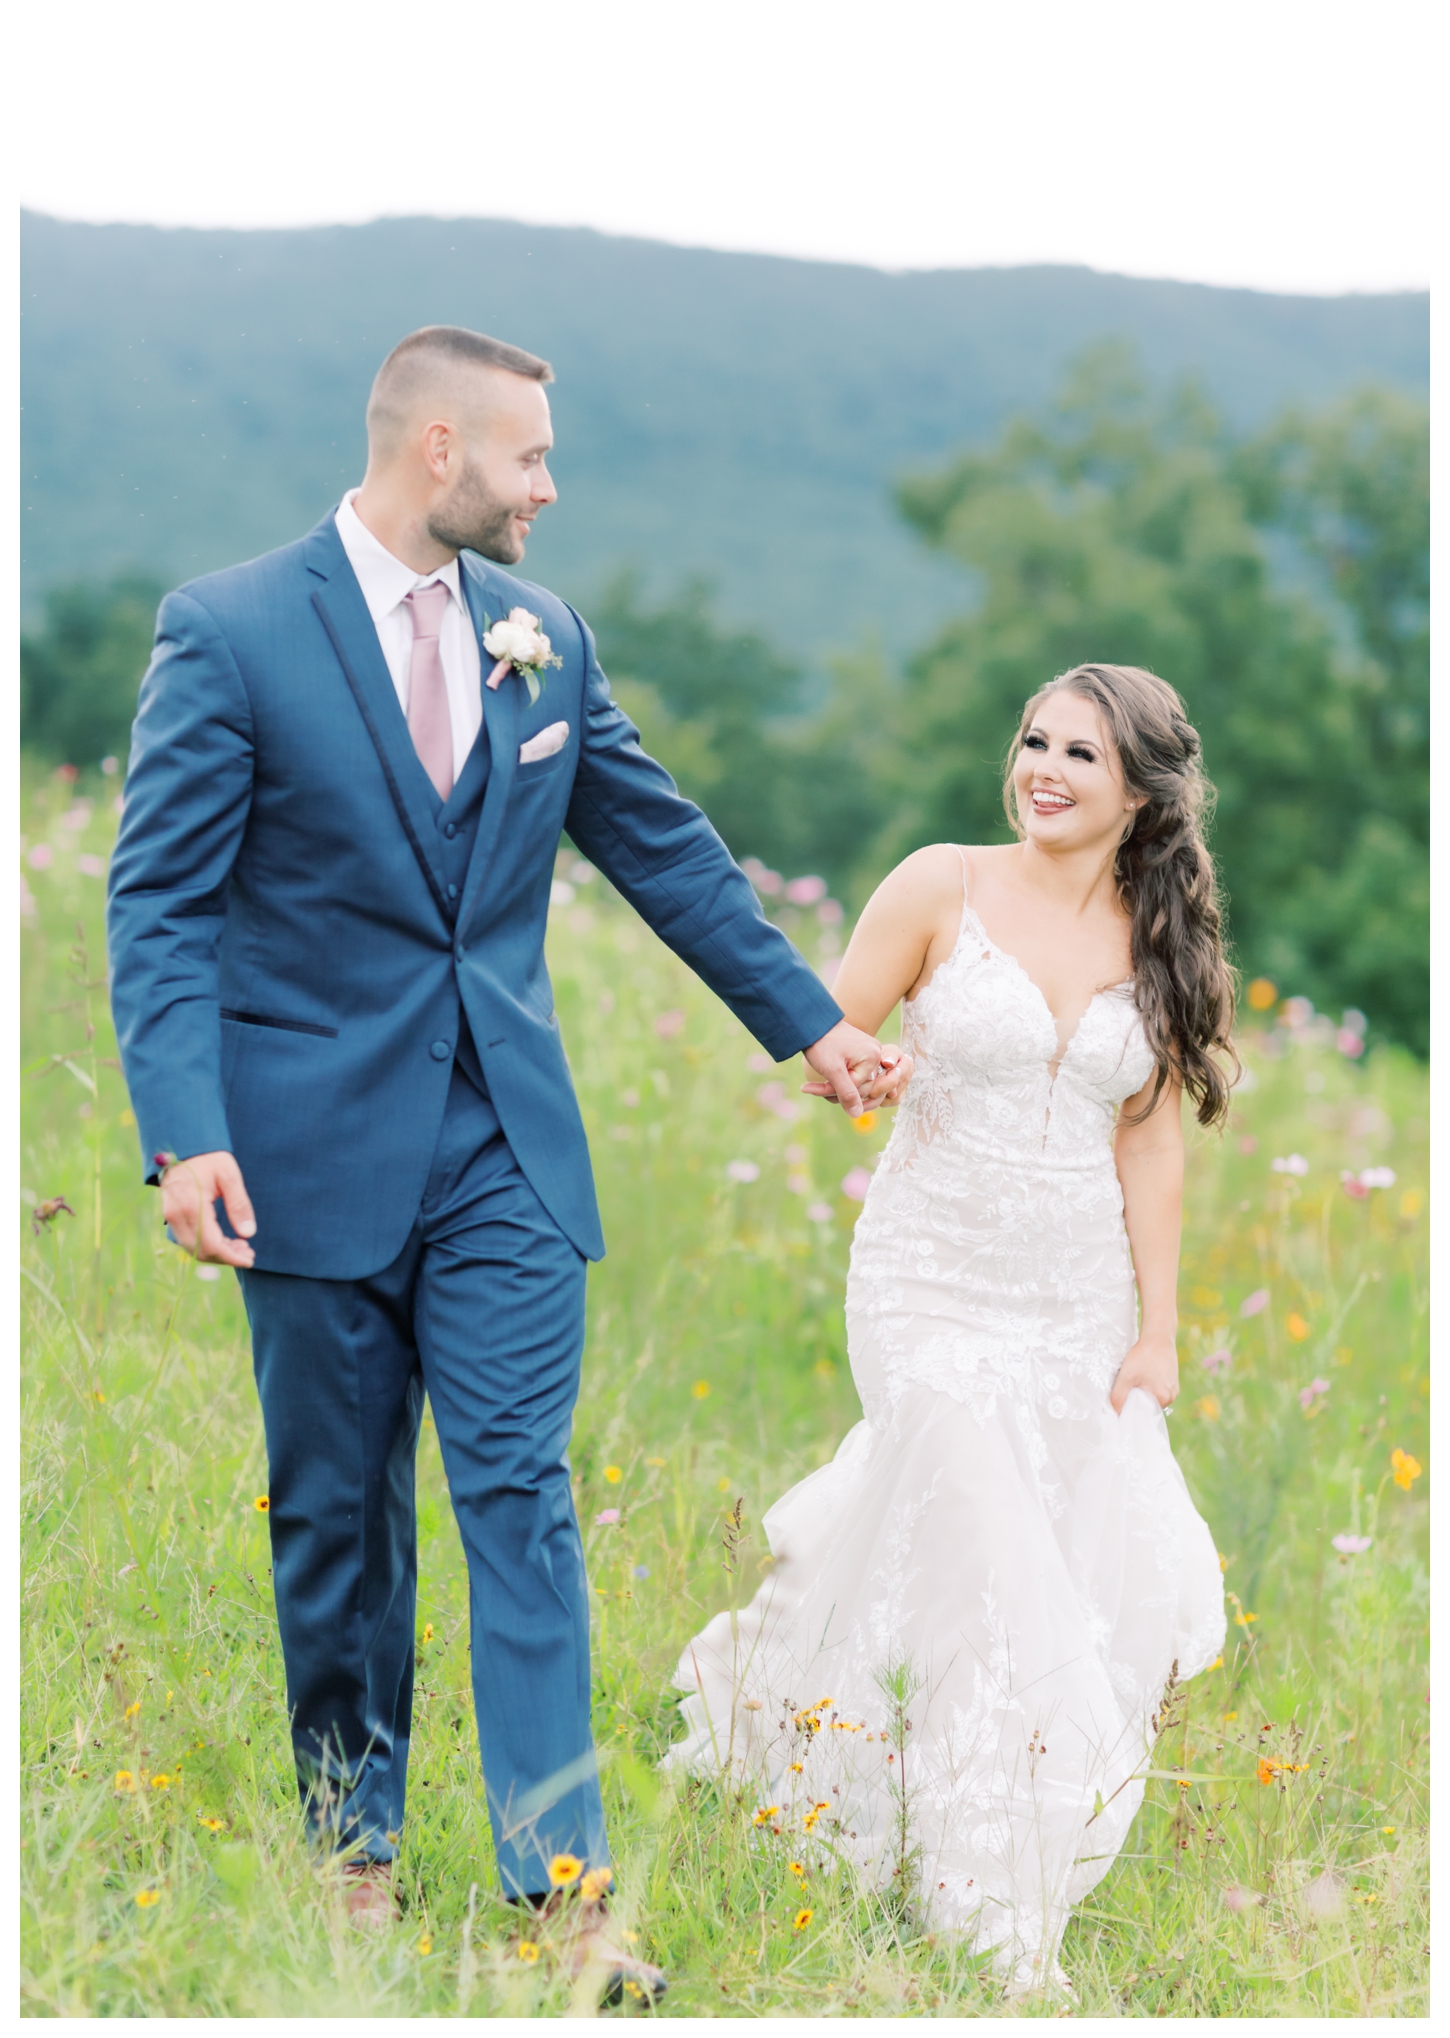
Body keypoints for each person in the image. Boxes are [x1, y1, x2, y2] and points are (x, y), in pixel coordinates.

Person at [106, 325, 909, 1991]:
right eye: (530, 457)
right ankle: (352, 1849)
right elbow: (162, 905)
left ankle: (564, 1899)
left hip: (504, 1157)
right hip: (300, 1154)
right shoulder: (233, 630)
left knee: (522, 1500)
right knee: (337, 1517)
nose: (549, 487)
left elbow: (662, 845)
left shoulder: (545, 637)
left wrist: (809, 1024)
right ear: (438, 451)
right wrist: (185, 1134)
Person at [666, 663, 1231, 1997]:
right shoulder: (938, 883)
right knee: (990, 1541)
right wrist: (852, 1068)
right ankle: (991, 1905)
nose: (1040, 766)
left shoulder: (1160, 942)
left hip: (1073, 1298)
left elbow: (1150, 1145)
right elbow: (833, 1037)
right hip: (925, 1281)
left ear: (1141, 790)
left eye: (1078, 753)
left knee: (1042, 1559)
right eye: (1031, 739)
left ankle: (828, 1747)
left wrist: (1158, 1330)